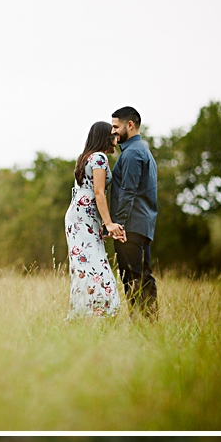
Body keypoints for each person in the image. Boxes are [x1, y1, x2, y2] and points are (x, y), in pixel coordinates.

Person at [64, 120, 125, 319]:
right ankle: (99, 312)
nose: (116, 139)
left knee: (83, 266)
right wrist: (108, 224)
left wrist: (98, 225)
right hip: (84, 215)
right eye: (113, 135)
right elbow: (98, 193)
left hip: (79, 215)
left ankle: (83, 312)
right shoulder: (99, 158)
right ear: (104, 137)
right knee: (96, 266)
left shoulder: (85, 157)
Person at [110, 106, 159, 317]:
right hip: (141, 225)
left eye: (116, 126)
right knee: (142, 277)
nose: (113, 131)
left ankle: (141, 325)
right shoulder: (142, 150)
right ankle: (149, 326)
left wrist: (117, 225)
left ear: (130, 125)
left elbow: (128, 192)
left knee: (132, 279)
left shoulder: (131, 154)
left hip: (129, 226)